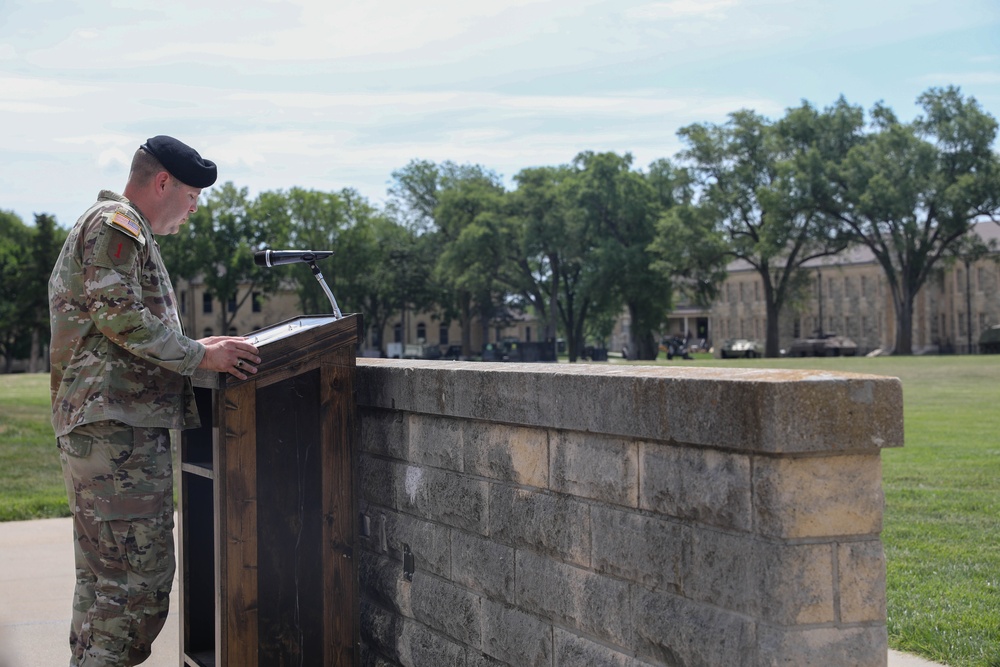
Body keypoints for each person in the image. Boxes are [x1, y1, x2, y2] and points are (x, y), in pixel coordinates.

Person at [48, 135, 261, 666]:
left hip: (106, 426)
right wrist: (198, 357)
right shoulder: (117, 226)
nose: (194, 209)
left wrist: (197, 347)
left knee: (103, 584)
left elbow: (116, 324)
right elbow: (118, 315)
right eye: (192, 196)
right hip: (113, 428)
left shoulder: (118, 228)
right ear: (163, 182)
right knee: (136, 587)